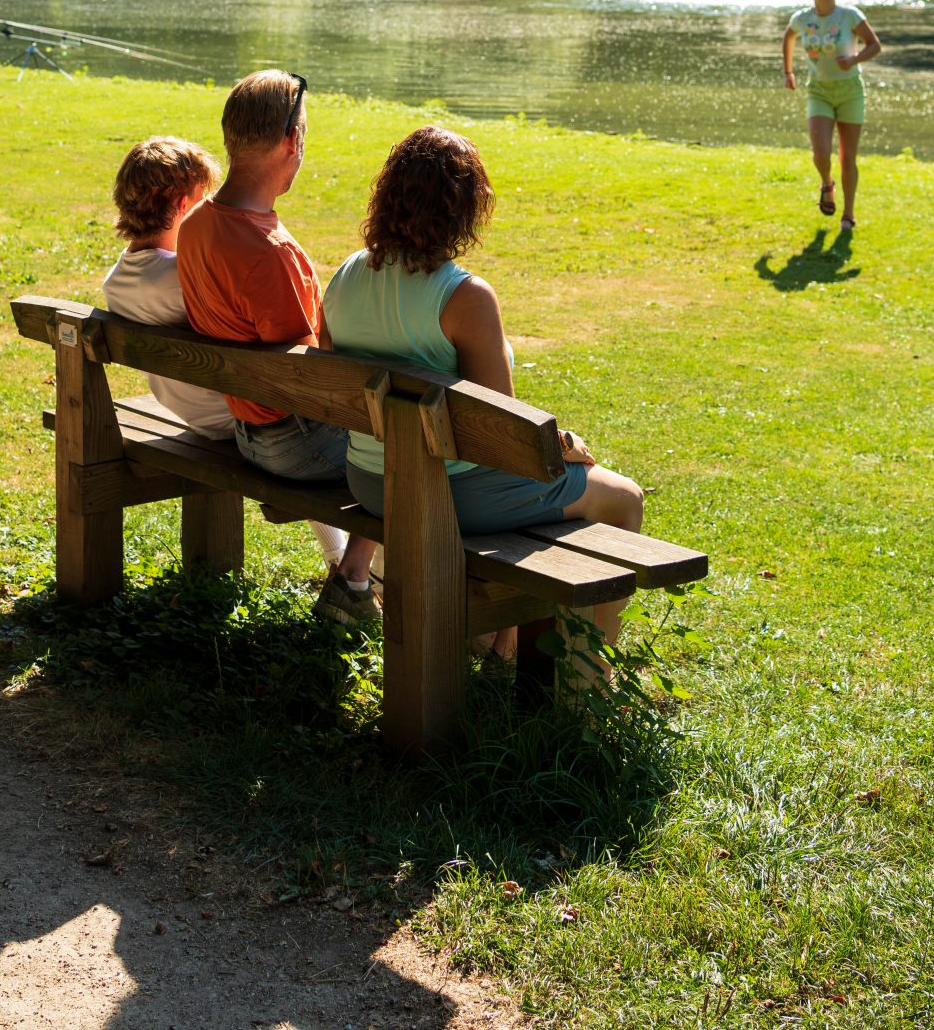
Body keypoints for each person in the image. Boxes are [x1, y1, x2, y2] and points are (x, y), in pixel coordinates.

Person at [321, 125, 645, 670]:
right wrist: (560, 444)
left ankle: (502, 646)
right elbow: (502, 430)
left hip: (371, 483)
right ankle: (591, 677)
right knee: (623, 496)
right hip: (450, 493)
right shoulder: (463, 296)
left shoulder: (346, 275)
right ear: (464, 210)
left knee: (545, 487)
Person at [175, 70, 379, 622]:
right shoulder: (272, 252)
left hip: (247, 433)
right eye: (305, 136)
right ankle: (356, 581)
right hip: (296, 446)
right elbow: (314, 388)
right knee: (425, 437)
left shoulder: (194, 225)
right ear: (291, 141)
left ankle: (360, 575)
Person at [102, 134, 346, 574]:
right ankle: (349, 562)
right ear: (181, 206)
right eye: (204, 201)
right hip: (235, 416)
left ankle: (342, 557)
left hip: (188, 409)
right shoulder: (186, 275)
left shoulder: (117, 281)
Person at [782, 0, 882, 231]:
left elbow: (875, 45)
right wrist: (788, 71)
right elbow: (788, 37)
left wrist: (854, 59)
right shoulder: (801, 19)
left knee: (848, 158)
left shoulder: (850, 16)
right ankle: (827, 183)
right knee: (821, 152)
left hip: (850, 91)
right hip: (819, 92)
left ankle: (848, 215)